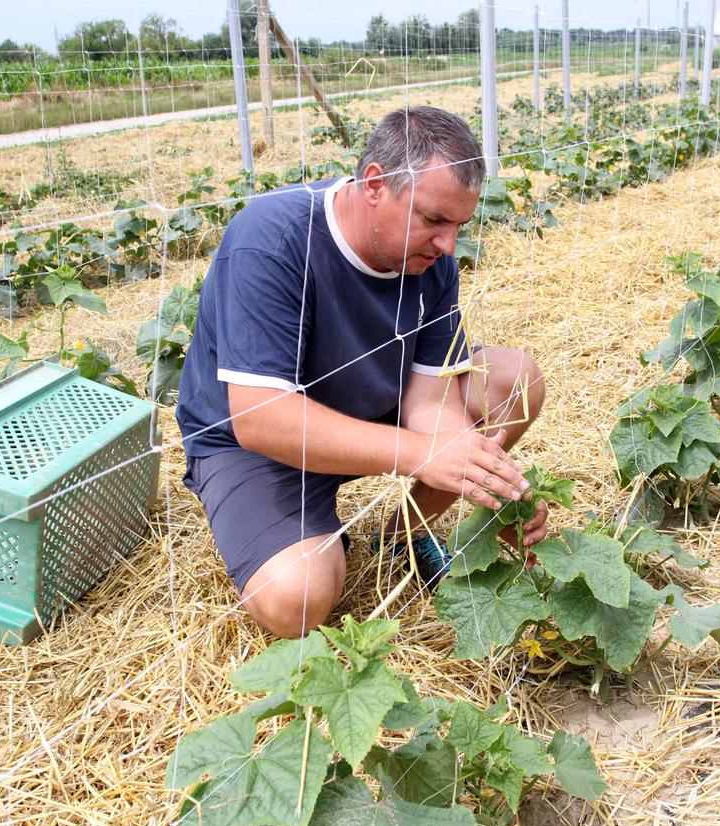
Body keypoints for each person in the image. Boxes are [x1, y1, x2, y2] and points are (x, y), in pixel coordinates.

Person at [176, 106, 548, 638]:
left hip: (374, 405)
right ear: (374, 184)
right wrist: (420, 452)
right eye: (434, 220)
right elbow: (260, 420)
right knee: (295, 599)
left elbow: (429, 400)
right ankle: (307, 533)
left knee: (516, 380)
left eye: (459, 225)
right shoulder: (273, 238)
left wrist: (490, 482)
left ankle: (402, 536)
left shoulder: (430, 260)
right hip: (254, 445)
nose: (448, 245)